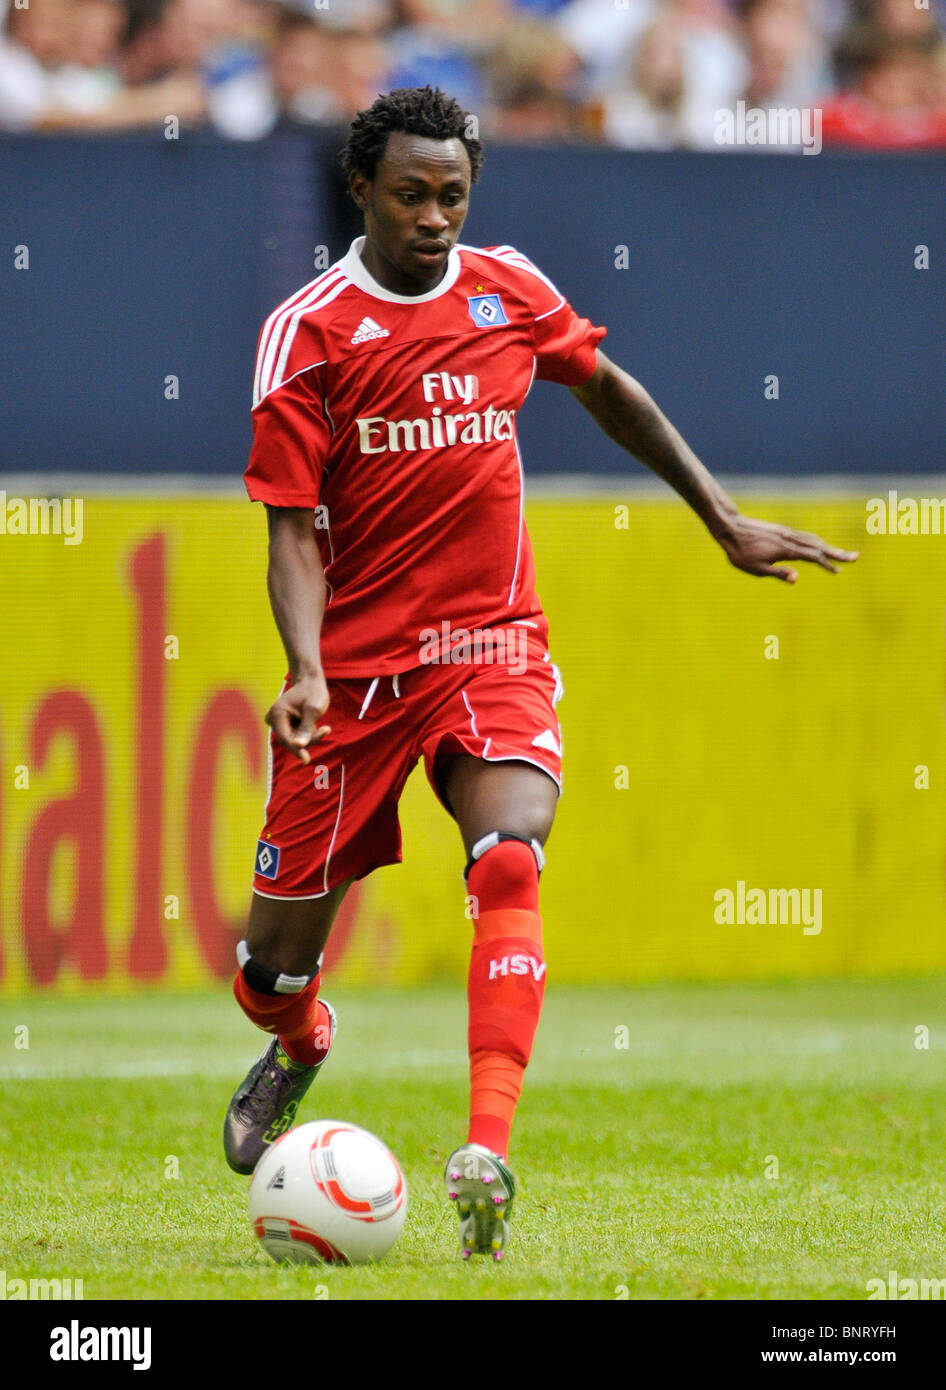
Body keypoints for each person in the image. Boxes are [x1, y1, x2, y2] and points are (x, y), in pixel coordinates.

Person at [223, 84, 857, 1260]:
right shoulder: (307, 332)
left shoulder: (505, 288)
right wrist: (305, 669)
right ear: (361, 189)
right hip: (352, 680)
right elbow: (292, 529)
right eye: (409, 194)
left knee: (508, 855)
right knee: (265, 968)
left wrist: (718, 516)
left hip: (489, 645)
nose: (433, 216)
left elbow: (608, 389)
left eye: (452, 194)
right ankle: (302, 1041)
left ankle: (486, 1152)